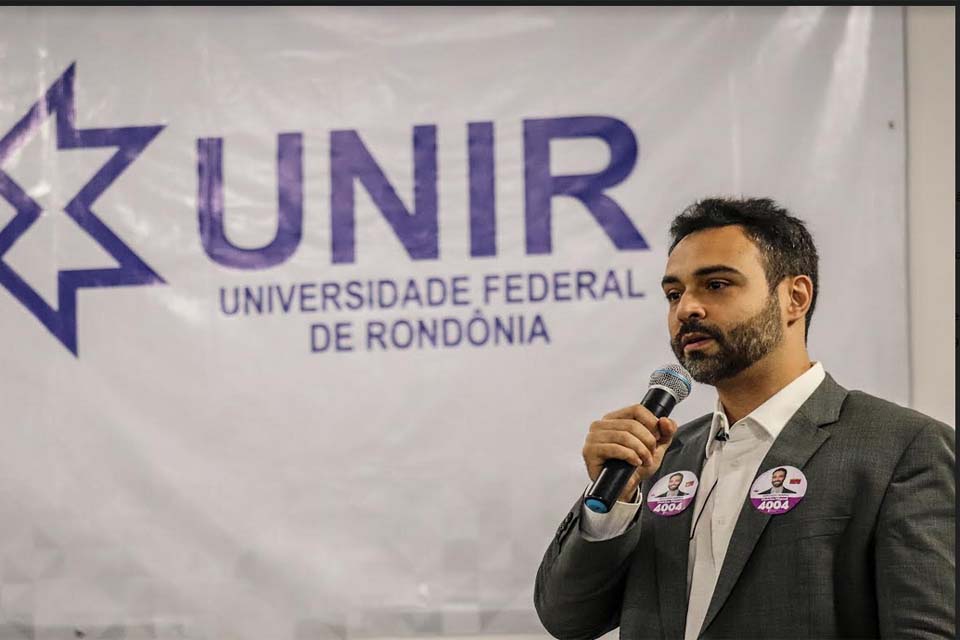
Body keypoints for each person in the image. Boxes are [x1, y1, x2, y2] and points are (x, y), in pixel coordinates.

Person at [534, 198, 954, 639]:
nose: (686, 309)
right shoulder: (659, 457)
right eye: (673, 294)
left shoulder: (903, 449)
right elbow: (568, 619)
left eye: (716, 285)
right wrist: (614, 502)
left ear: (795, 297)